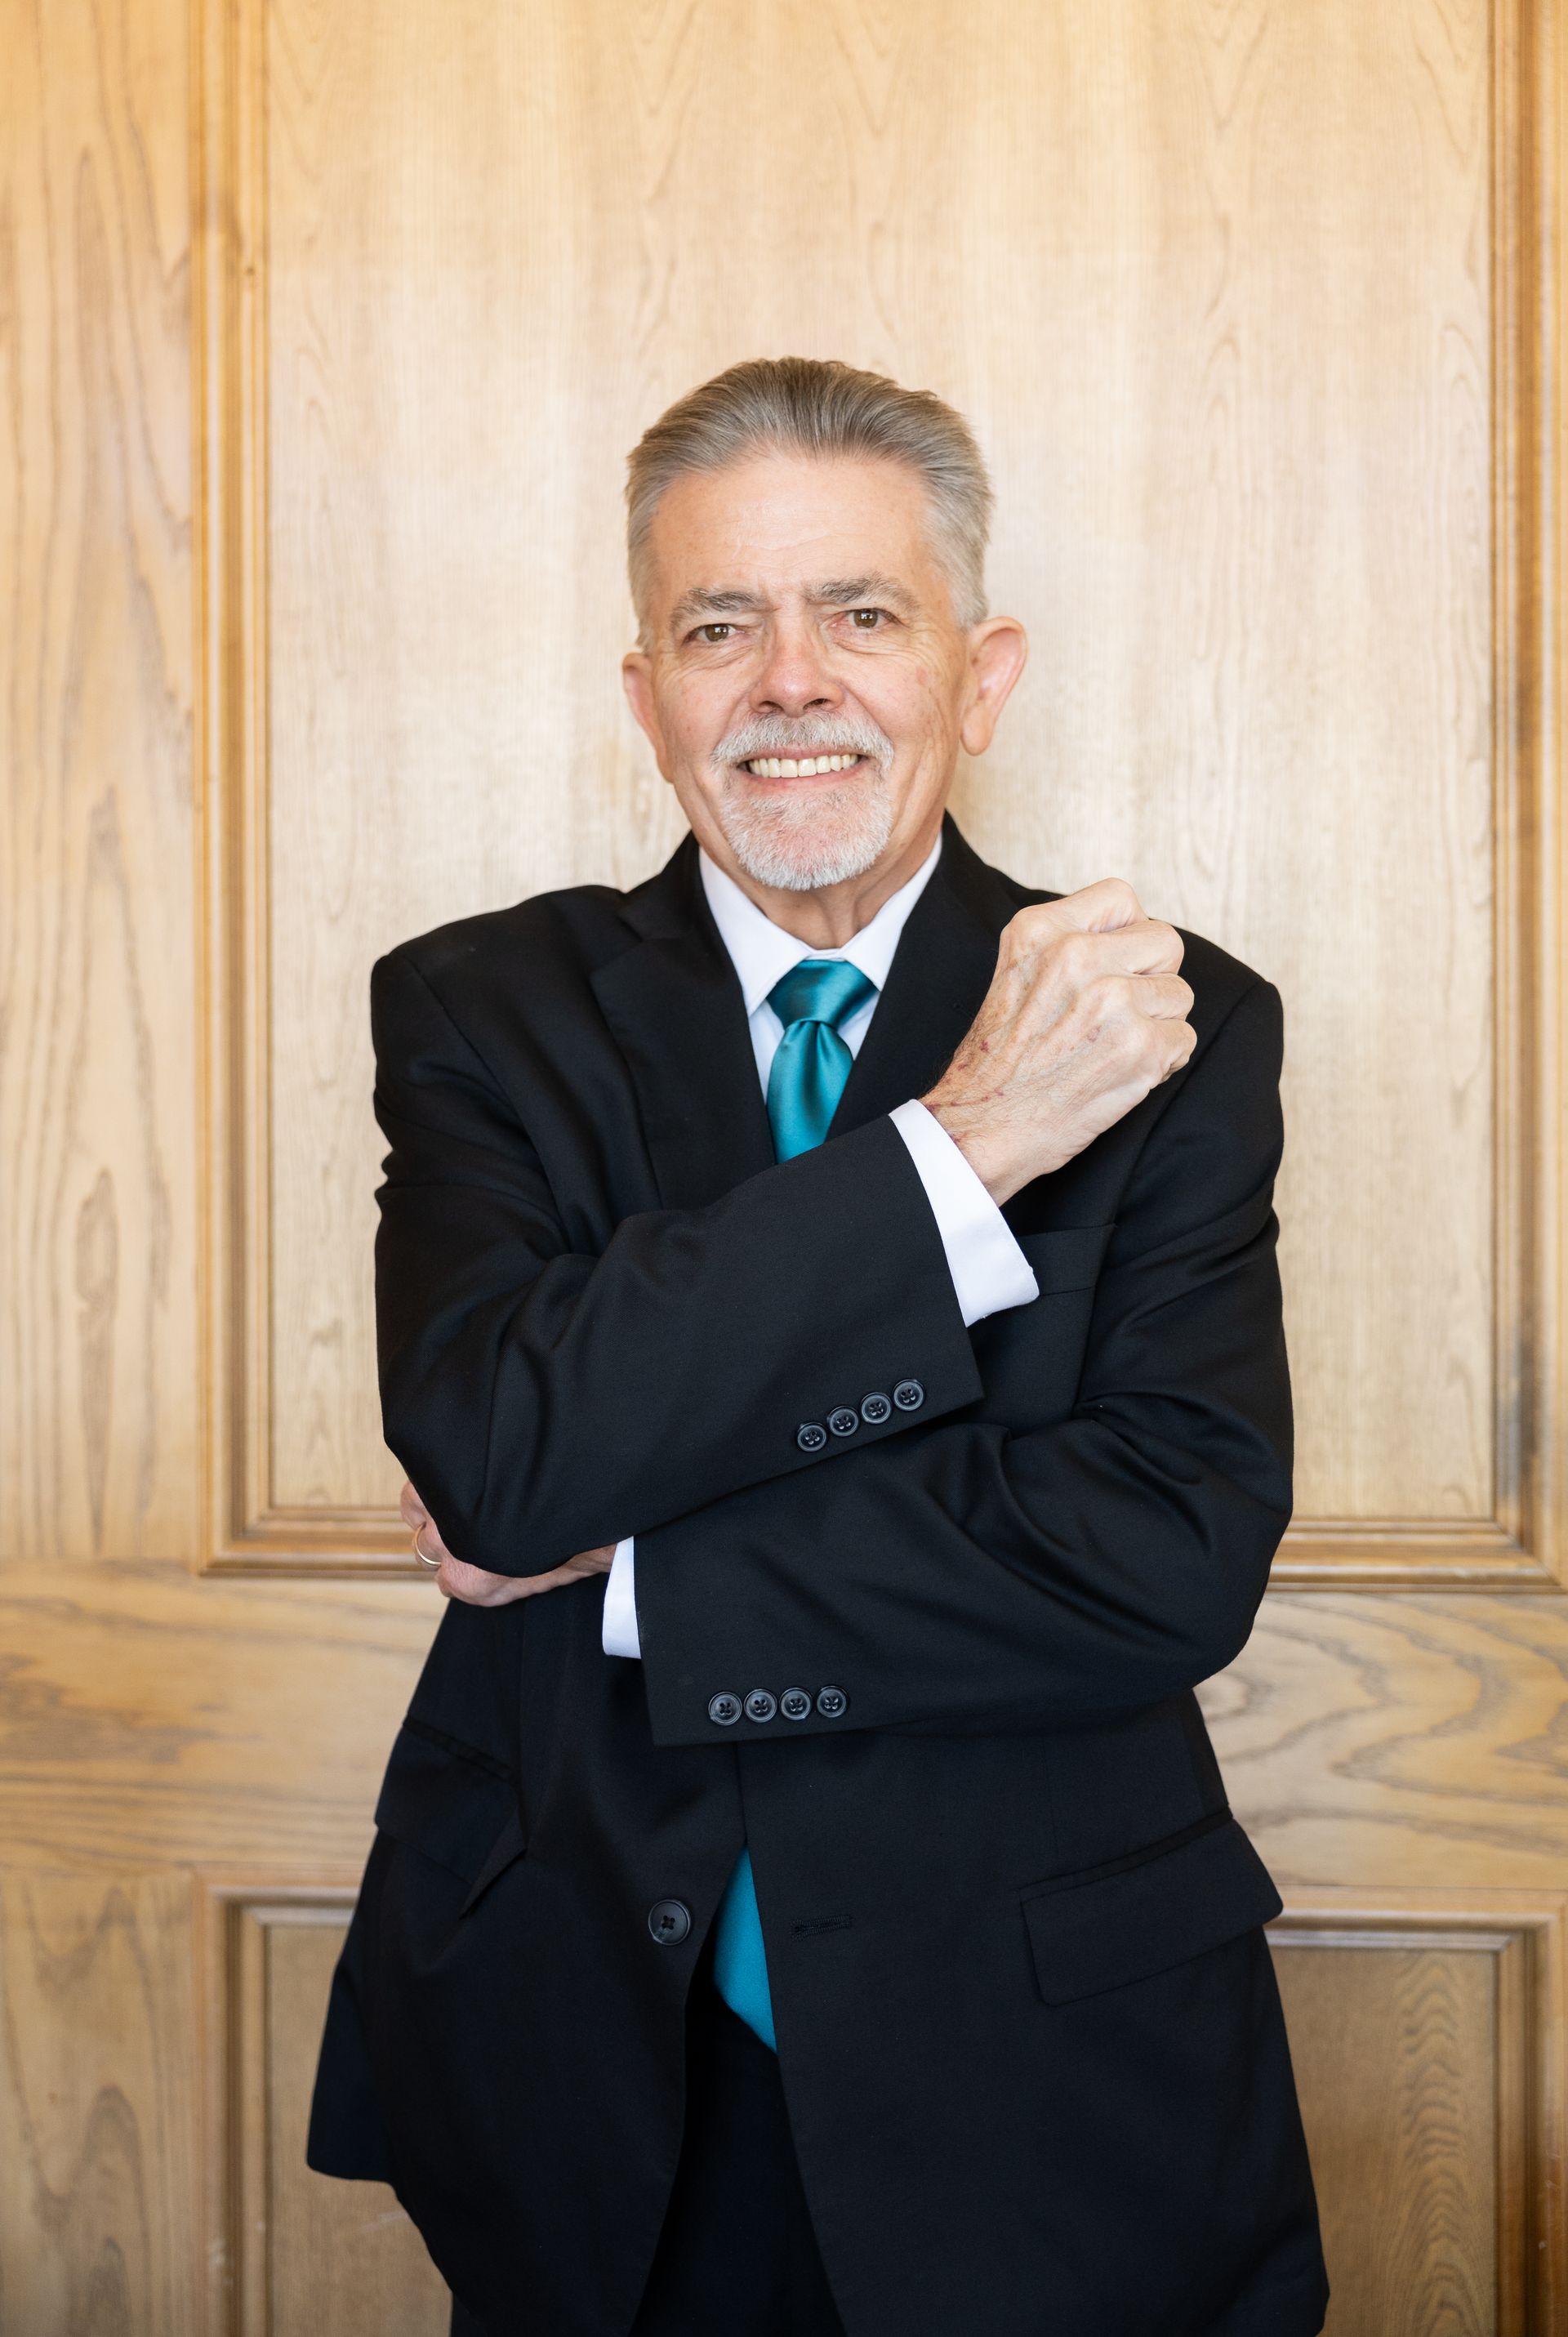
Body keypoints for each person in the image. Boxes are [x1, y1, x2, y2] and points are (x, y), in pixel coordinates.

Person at [307, 357, 1328, 2337]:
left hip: (1047, 2066)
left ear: (978, 667)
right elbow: (500, 1456)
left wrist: (647, 1558)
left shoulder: (1162, 1021)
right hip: (594, 2059)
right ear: (646, 693)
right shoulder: (479, 1009)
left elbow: (1165, 1551)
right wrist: (969, 1150)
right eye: (720, 626)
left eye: (863, 612)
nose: (792, 682)